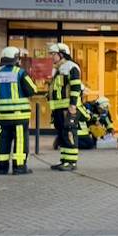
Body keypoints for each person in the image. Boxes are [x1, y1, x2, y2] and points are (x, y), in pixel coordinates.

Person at [0, 47, 37, 175]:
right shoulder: (20, 72)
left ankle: (1, 167)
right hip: (20, 116)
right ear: (16, 59)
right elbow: (31, 90)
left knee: (2, 140)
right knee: (20, 141)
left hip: (3, 117)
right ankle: (19, 167)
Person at [47, 43, 83, 171]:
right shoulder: (57, 68)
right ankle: (64, 160)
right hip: (58, 108)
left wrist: (72, 105)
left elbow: (75, 87)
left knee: (69, 134)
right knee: (62, 134)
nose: (51, 57)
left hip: (68, 108)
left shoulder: (71, 67)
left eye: (53, 54)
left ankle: (71, 162)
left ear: (61, 54)